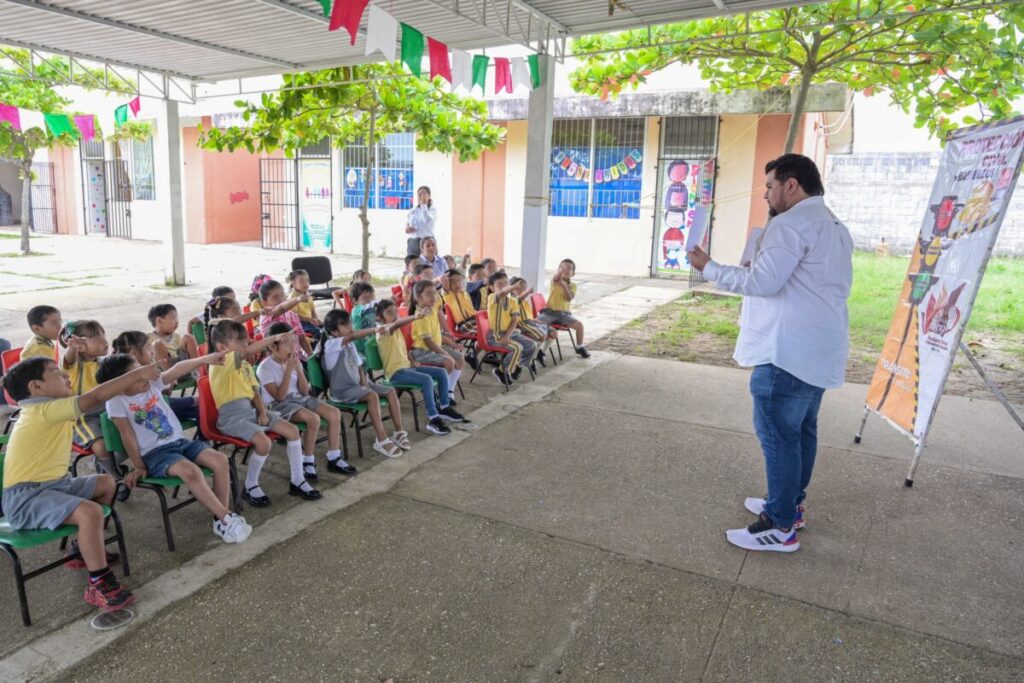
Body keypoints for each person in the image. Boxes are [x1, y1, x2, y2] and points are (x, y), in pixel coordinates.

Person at [687, 153, 853, 554]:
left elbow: (762, 283)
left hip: (787, 352)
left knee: (779, 437)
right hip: (817, 348)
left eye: (770, 186)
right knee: (800, 433)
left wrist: (709, 267)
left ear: (791, 185)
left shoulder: (791, 225)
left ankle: (779, 526)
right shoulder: (834, 226)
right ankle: (789, 506)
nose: (766, 194)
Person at [2, 355, 162, 611]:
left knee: (106, 483)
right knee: (90, 512)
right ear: (36, 387)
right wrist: (137, 374)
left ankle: (82, 548)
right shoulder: (42, 410)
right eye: (56, 372)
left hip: (53, 485)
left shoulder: (51, 407)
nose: (66, 376)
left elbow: (98, 400)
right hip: (26, 498)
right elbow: (94, 398)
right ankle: (99, 582)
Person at [97, 353, 252, 545]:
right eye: (137, 374)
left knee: (220, 461)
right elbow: (126, 435)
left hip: (181, 443)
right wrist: (138, 465)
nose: (145, 376)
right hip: (155, 454)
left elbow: (176, 369)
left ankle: (220, 520)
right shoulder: (116, 401)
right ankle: (227, 518)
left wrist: (202, 360)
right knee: (192, 472)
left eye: (142, 370)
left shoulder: (151, 384)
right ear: (119, 385)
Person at [207, 321, 320, 506]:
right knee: (264, 442)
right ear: (222, 347)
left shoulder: (243, 366)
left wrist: (262, 412)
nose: (246, 346)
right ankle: (250, 485)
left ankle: (297, 480)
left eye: (246, 342)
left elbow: (255, 392)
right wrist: (274, 338)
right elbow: (248, 352)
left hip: (250, 411)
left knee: (292, 431)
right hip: (231, 417)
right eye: (241, 343)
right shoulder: (220, 361)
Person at [257, 322, 347, 480]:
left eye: (293, 343)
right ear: (272, 347)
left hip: (299, 398)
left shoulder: (293, 360)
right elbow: (279, 396)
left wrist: (299, 371)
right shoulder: (265, 368)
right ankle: (308, 460)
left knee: (334, 413)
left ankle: (334, 457)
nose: (293, 348)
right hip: (279, 405)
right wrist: (288, 372)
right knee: (313, 419)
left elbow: (305, 391)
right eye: (288, 344)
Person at [317, 310, 410, 459]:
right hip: (342, 391)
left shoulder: (349, 345)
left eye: (349, 323)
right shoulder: (331, 345)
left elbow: (359, 366)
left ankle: (399, 432)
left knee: (390, 391)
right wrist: (375, 329)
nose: (350, 326)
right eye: (345, 324)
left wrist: (365, 383)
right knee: (372, 396)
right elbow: (353, 335)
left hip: (357, 385)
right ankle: (381, 439)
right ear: (334, 331)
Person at [374, 299, 463, 435]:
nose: (394, 314)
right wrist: (415, 317)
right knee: (426, 379)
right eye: (389, 312)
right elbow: (397, 323)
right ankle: (433, 418)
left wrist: (411, 359)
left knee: (441, 372)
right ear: (379, 317)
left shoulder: (396, 331)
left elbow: (402, 349)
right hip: (395, 374)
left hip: (407, 368)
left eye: (395, 311)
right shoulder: (383, 331)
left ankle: (444, 407)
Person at [111, 331, 202, 433]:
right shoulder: (140, 374)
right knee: (200, 403)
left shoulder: (122, 373)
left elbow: (163, 389)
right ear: (133, 353)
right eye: (148, 348)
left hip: (158, 409)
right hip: (154, 412)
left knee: (201, 408)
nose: (152, 352)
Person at [59, 320, 116, 474]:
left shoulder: (104, 362)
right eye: (96, 336)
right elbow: (69, 359)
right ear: (81, 345)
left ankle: (104, 464)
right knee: (102, 446)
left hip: (108, 412)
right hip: (83, 418)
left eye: (103, 334)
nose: (104, 340)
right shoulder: (73, 366)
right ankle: (114, 476)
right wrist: (72, 348)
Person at [409, 280, 466, 406]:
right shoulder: (421, 316)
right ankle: (437, 394)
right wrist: (445, 353)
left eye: (434, 293)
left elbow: (436, 334)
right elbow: (428, 341)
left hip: (435, 347)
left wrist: (452, 344)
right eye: (429, 294)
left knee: (460, 358)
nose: (434, 297)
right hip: (422, 352)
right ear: (418, 298)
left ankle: (449, 391)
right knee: (449, 361)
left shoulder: (432, 309)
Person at [486, 271, 536, 385]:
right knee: (517, 348)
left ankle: (517, 366)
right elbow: (503, 292)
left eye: (506, 283)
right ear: (492, 288)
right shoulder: (492, 298)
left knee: (531, 345)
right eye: (500, 284)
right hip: (495, 335)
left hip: (509, 333)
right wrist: (513, 286)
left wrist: (508, 335)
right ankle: (501, 370)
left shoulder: (513, 301)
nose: (504, 286)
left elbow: (514, 320)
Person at [538, 259, 590, 359]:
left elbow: (569, 298)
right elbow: (556, 276)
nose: (566, 270)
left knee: (579, 326)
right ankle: (541, 352)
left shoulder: (573, 285)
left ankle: (579, 347)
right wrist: (560, 274)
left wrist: (564, 286)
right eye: (563, 267)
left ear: (573, 273)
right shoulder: (555, 281)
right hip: (549, 312)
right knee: (539, 323)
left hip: (564, 315)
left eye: (569, 268)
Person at [258, 279, 313, 360]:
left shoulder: (292, 314)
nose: (281, 299)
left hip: (296, 358)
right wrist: (297, 299)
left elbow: (302, 338)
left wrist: (311, 355)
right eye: (275, 297)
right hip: (277, 362)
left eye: (282, 294)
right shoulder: (266, 315)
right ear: (264, 303)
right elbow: (282, 308)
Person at [510, 276, 554, 369]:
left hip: (530, 322)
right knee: (542, 337)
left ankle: (541, 353)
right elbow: (519, 298)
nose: (522, 290)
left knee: (553, 332)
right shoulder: (513, 300)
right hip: (522, 324)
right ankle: (532, 359)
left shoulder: (525, 302)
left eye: (524, 288)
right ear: (511, 289)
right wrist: (527, 292)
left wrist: (536, 320)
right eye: (519, 288)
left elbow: (528, 315)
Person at [148, 304, 199, 368]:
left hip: (182, 366)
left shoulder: (177, 336)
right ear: (159, 321)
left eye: (177, 319)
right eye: (173, 319)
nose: (177, 322)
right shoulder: (148, 338)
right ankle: (170, 377)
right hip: (165, 371)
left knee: (188, 337)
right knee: (157, 344)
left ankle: (198, 370)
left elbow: (181, 353)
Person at [287, 269, 322, 336]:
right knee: (318, 331)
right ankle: (316, 345)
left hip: (309, 320)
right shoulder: (293, 297)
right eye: (302, 281)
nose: (306, 283)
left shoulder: (307, 293)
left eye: (307, 280)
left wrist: (316, 319)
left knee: (327, 327)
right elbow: (294, 316)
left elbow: (313, 311)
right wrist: (310, 319)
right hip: (299, 323)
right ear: (293, 284)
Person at [348, 282, 379, 357]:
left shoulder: (371, 306)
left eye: (372, 298)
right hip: (360, 343)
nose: (370, 302)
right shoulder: (357, 309)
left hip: (371, 340)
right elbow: (368, 307)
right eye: (365, 298)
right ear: (355, 300)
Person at [405, 185, 437, 257]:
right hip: (413, 242)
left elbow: (426, 219)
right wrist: (407, 229)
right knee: (413, 265)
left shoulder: (432, 210)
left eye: (424, 193)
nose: (421, 195)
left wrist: (424, 205)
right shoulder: (413, 210)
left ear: (429, 196)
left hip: (427, 242)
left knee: (428, 265)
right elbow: (408, 224)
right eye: (419, 194)